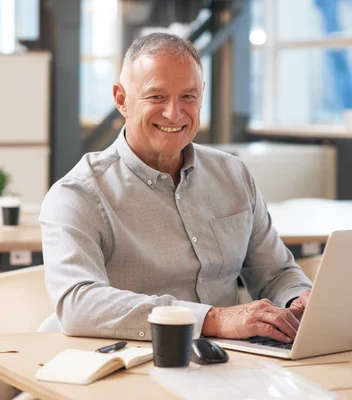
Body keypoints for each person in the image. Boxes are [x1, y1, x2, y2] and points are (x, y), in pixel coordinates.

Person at [39, 33, 312, 344]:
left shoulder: (233, 174)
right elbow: (78, 304)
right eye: (156, 97)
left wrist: (299, 299)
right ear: (120, 99)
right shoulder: (78, 195)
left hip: (235, 364)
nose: (174, 112)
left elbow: (275, 273)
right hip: (136, 366)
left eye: (188, 96)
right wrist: (212, 319)